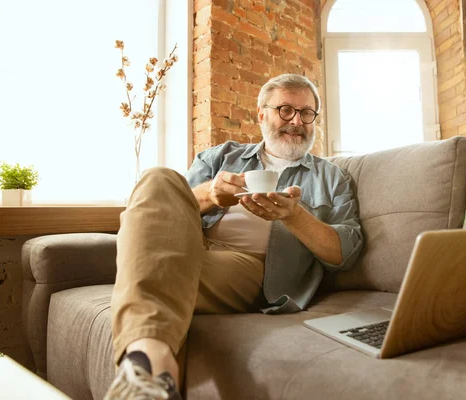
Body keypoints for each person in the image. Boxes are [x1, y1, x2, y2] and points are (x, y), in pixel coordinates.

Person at [103, 74, 363, 399]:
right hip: (189, 243)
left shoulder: (332, 177)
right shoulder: (220, 157)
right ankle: (153, 375)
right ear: (261, 114)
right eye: (285, 110)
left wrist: (294, 216)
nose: (297, 120)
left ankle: (149, 366)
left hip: (251, 267)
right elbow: (172, 205)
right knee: (158, 178)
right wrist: (212, 194)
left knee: (154, 268)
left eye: (306, 113)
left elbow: (345, 254)